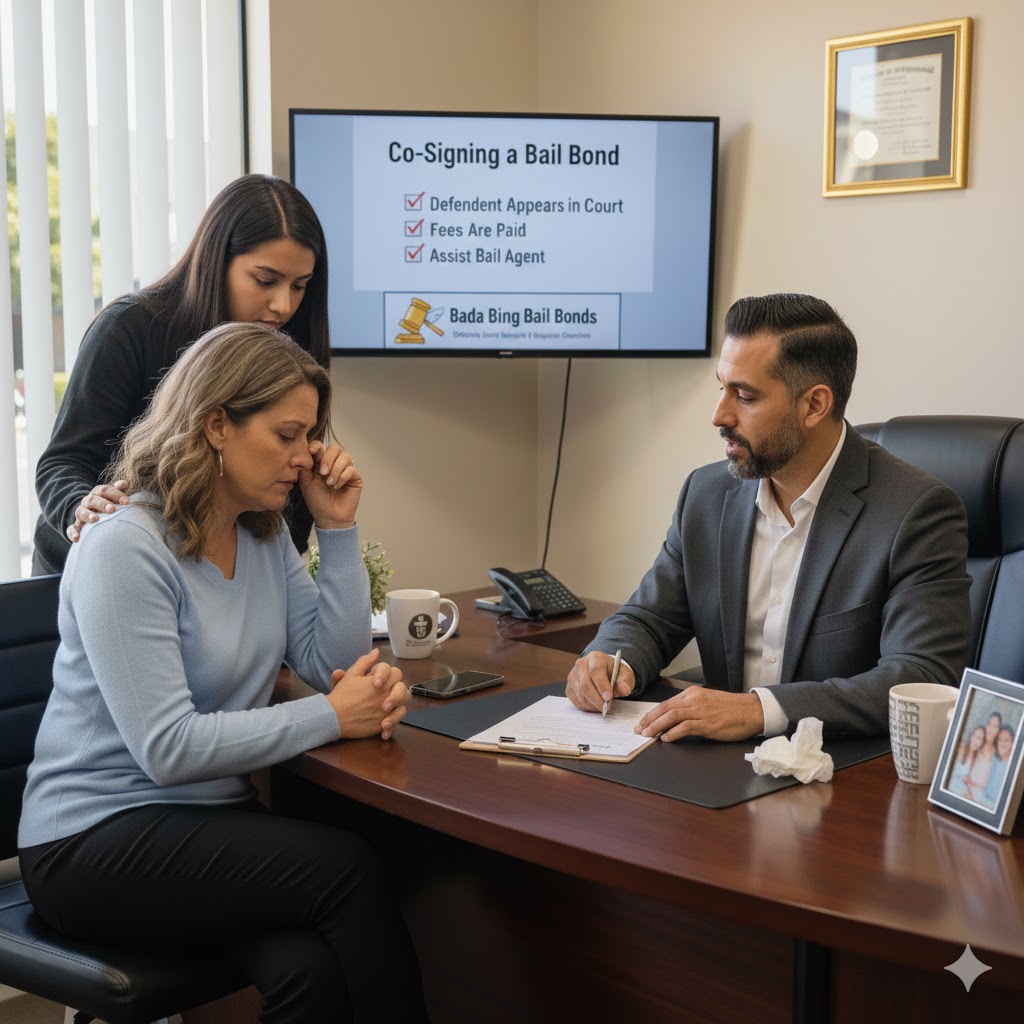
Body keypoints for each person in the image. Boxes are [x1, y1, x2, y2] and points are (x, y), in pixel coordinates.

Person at [19, 323, 429, 1023]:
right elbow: (168, 748)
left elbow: (333, 666)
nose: (306, 458)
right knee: (347, 867)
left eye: (310, 437)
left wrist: (337, 528)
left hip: (203, 828)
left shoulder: (260, 533)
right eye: (287, 435)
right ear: (216, 424)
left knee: (308, 966)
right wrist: (335, 715)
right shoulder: (126, 546)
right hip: (93, 840)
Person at [566, 293, 972, 741]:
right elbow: (647, 619)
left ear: (814, 405)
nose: (719, 414)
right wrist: (608, 659)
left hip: (839, 775)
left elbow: (920, 677)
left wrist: (759, 711)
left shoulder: (915, 511)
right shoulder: (705, 495)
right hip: (717, 775)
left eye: (744, 395)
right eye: (721, 388)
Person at [32, 173, 330, 575]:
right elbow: (63, 463)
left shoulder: (291, 350)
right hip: (98, 573)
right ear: (217, 262)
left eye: (300, 286)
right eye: (265, 280)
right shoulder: (130, 329)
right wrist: (82, 506)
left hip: (209, 589)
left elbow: (282, 519)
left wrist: (325, 518)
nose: (283, 305)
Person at [963, 711, 1002, 803]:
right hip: (966, 789)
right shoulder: (978, 744)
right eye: (990, 724)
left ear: (999, 730)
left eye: (995, 726)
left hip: (982, 796)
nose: (991, 729)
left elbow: (993, 784)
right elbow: (965, 771)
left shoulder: (998, 753)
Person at [981, 725, 1016, 808]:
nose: (1002, 743)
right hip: (982, 800)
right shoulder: (994, 760)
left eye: (1006, 740)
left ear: (1012, 743)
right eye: (999, 740)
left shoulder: (1013, 769)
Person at [947, 725, 985, 799]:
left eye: (979, 738)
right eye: (974, 735)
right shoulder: (960, 748)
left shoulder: (976, 760)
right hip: (950, 785)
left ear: (982, 743)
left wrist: (970, 791)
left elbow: (969, 782)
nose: (974, 740)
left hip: (961, 789)